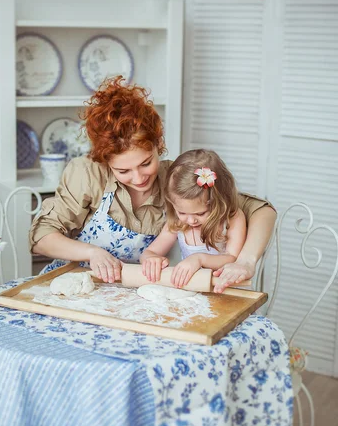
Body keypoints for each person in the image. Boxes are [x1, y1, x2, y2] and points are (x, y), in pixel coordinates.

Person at [29, 77, 276, 292]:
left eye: (146, 163)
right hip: (74, 282)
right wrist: (91, 253)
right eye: (123, 170)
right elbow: (41, 237)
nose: (138, 178)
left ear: (158, 145)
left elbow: (261, 210)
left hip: (130, 291)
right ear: (105, 161)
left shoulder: (174, 180)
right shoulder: (88, 173)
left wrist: (244, 261)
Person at [140, 149, 246, 288]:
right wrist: (151, 259)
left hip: (224, 290)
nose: (191, 221)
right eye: (182, 212)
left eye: (200, 214)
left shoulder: (232, 219)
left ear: (219, 202)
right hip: (192, 291)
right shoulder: (178, 223)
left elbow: (232, 258)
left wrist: (199, 259)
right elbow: (148, 253)